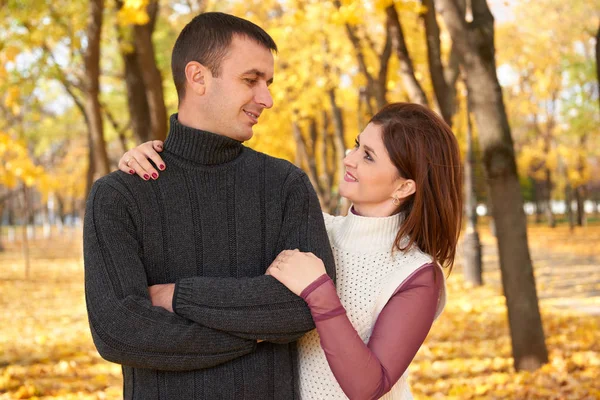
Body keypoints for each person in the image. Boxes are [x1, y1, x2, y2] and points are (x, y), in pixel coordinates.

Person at [119, 102, 463, 399]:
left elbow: (369, 387)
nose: (350, 159)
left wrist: (319, 292)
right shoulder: (316, 227)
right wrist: (158, 161)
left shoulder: (416, 274)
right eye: (358, 145)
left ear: (404, 186)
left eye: (368, 156)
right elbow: (218, 207)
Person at [84, 12, 335, 400]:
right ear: (198, 77)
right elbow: (119, 332)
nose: (267, 99)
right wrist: (259, 334)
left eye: (268, 83)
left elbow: (304, 309)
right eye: (251, 80)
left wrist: (177, 297)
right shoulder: (120, 196)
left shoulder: (287, 185)